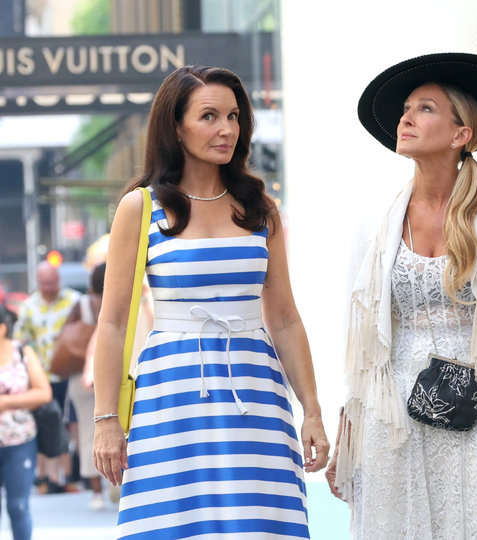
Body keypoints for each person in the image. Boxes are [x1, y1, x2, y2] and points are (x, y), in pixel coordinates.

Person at [92, 65, 329, 539]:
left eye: (234, 116)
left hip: (255, 393)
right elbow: (114, 322)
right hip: (170, 396)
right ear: (175, 126)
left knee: (260, 524)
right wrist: (105, 421)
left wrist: (313, 410)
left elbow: (283, 316)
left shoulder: (260, 208)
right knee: (171, 525)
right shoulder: (141, 207)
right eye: (209, 116)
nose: (226, 129)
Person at [326, 52, 477, 539]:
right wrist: (349, 420)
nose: (405, 118)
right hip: (395, 415)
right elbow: (360, 338)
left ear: (461, 134)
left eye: (425, 108)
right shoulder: (374, 224)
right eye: (406, 108)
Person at [14, 261, 81, 494]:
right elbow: (20, 338)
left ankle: (69, 475)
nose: (48, 287)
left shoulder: (73, 301)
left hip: (70, 372)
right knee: (47, 423)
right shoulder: (30, 306)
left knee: (71, 423)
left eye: (52, 283)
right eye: (44, 284)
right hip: (42, 376)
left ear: (58, 281)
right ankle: (47, 476)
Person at [0, 304, 52, 540]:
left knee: (18, 505)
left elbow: (43, 393)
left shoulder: (22, 353)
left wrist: (6, 403)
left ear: (2, 328)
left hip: (19, 440)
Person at [65, 262, 106, 510]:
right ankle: (120, 483)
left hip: (83, 375)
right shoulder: (128, 298)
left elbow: (65, 332)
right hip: (116, 370)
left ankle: (97, 493)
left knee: (88, 433)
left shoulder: (81, 304)